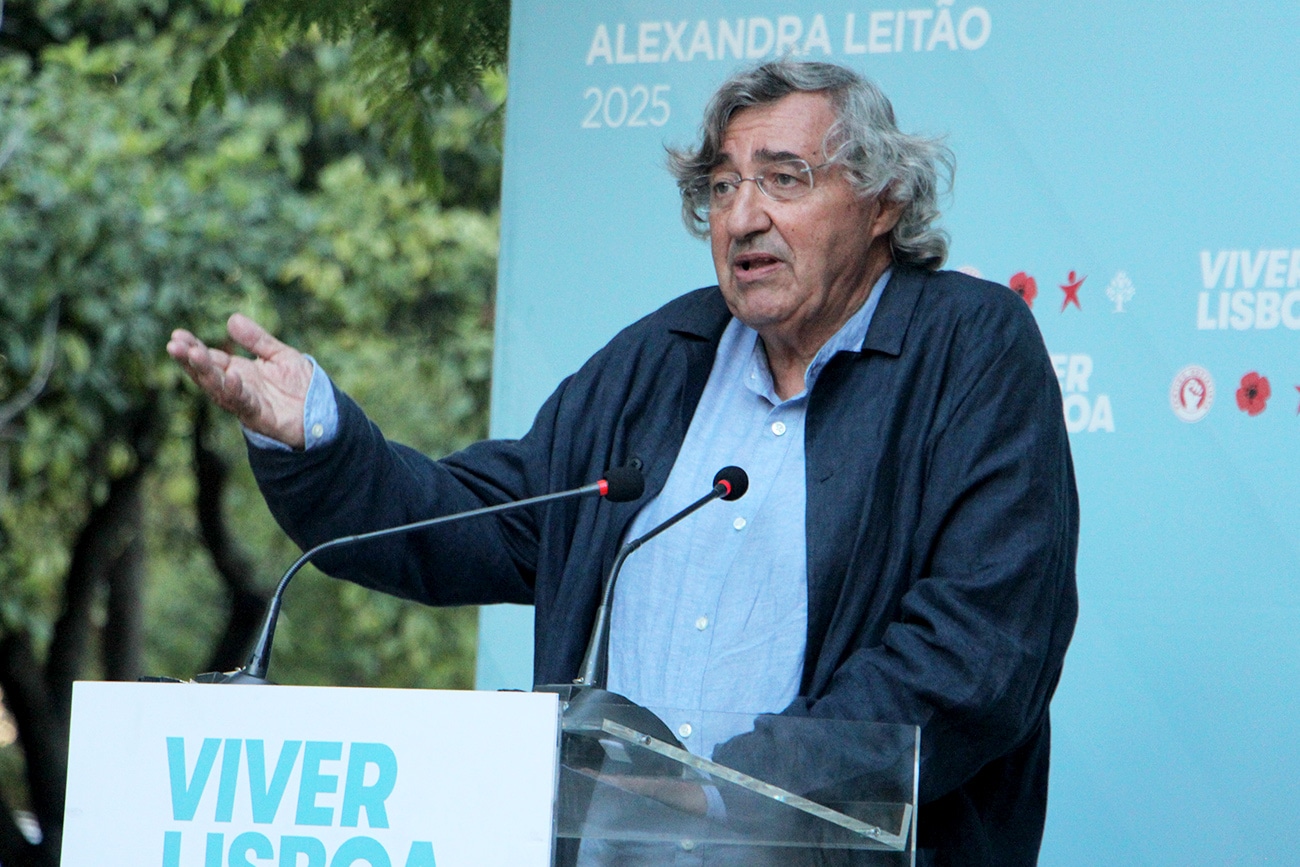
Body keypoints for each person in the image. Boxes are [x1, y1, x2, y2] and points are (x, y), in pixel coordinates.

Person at [169, 59, 1077, 865]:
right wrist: (318, 443)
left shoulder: (969, 348)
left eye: (783, 178)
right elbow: (477, 522)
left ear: (883, 203)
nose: (744, 216)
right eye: (722, 187)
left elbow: (979, 649)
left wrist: (730, 789)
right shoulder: (661, 359)